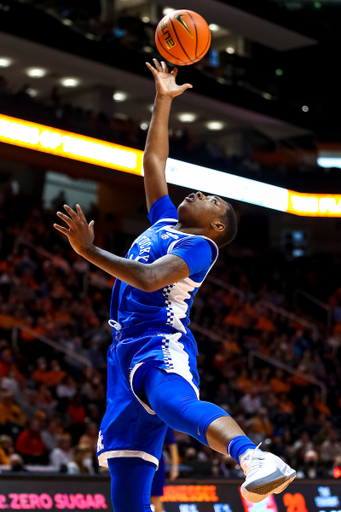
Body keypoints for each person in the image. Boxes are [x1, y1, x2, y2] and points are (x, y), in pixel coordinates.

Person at [54, 59, 296, 510]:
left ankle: (254, 459)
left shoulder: (201, 249)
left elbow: (148, 279)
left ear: (217, 226)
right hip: (122, 349)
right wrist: (163, 99)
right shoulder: (165, 219)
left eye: (211, 200)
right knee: (126, 485)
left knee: (171, 402)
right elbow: (153, 161)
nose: (198, 194)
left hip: (158, 341)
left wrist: (88, 251)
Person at [151, 428, 178, 512]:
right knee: (139, 498)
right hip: (138, 458)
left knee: (155, 498)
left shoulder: (163, 417)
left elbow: (172, 444)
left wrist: (175, 468)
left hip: (155, 460)